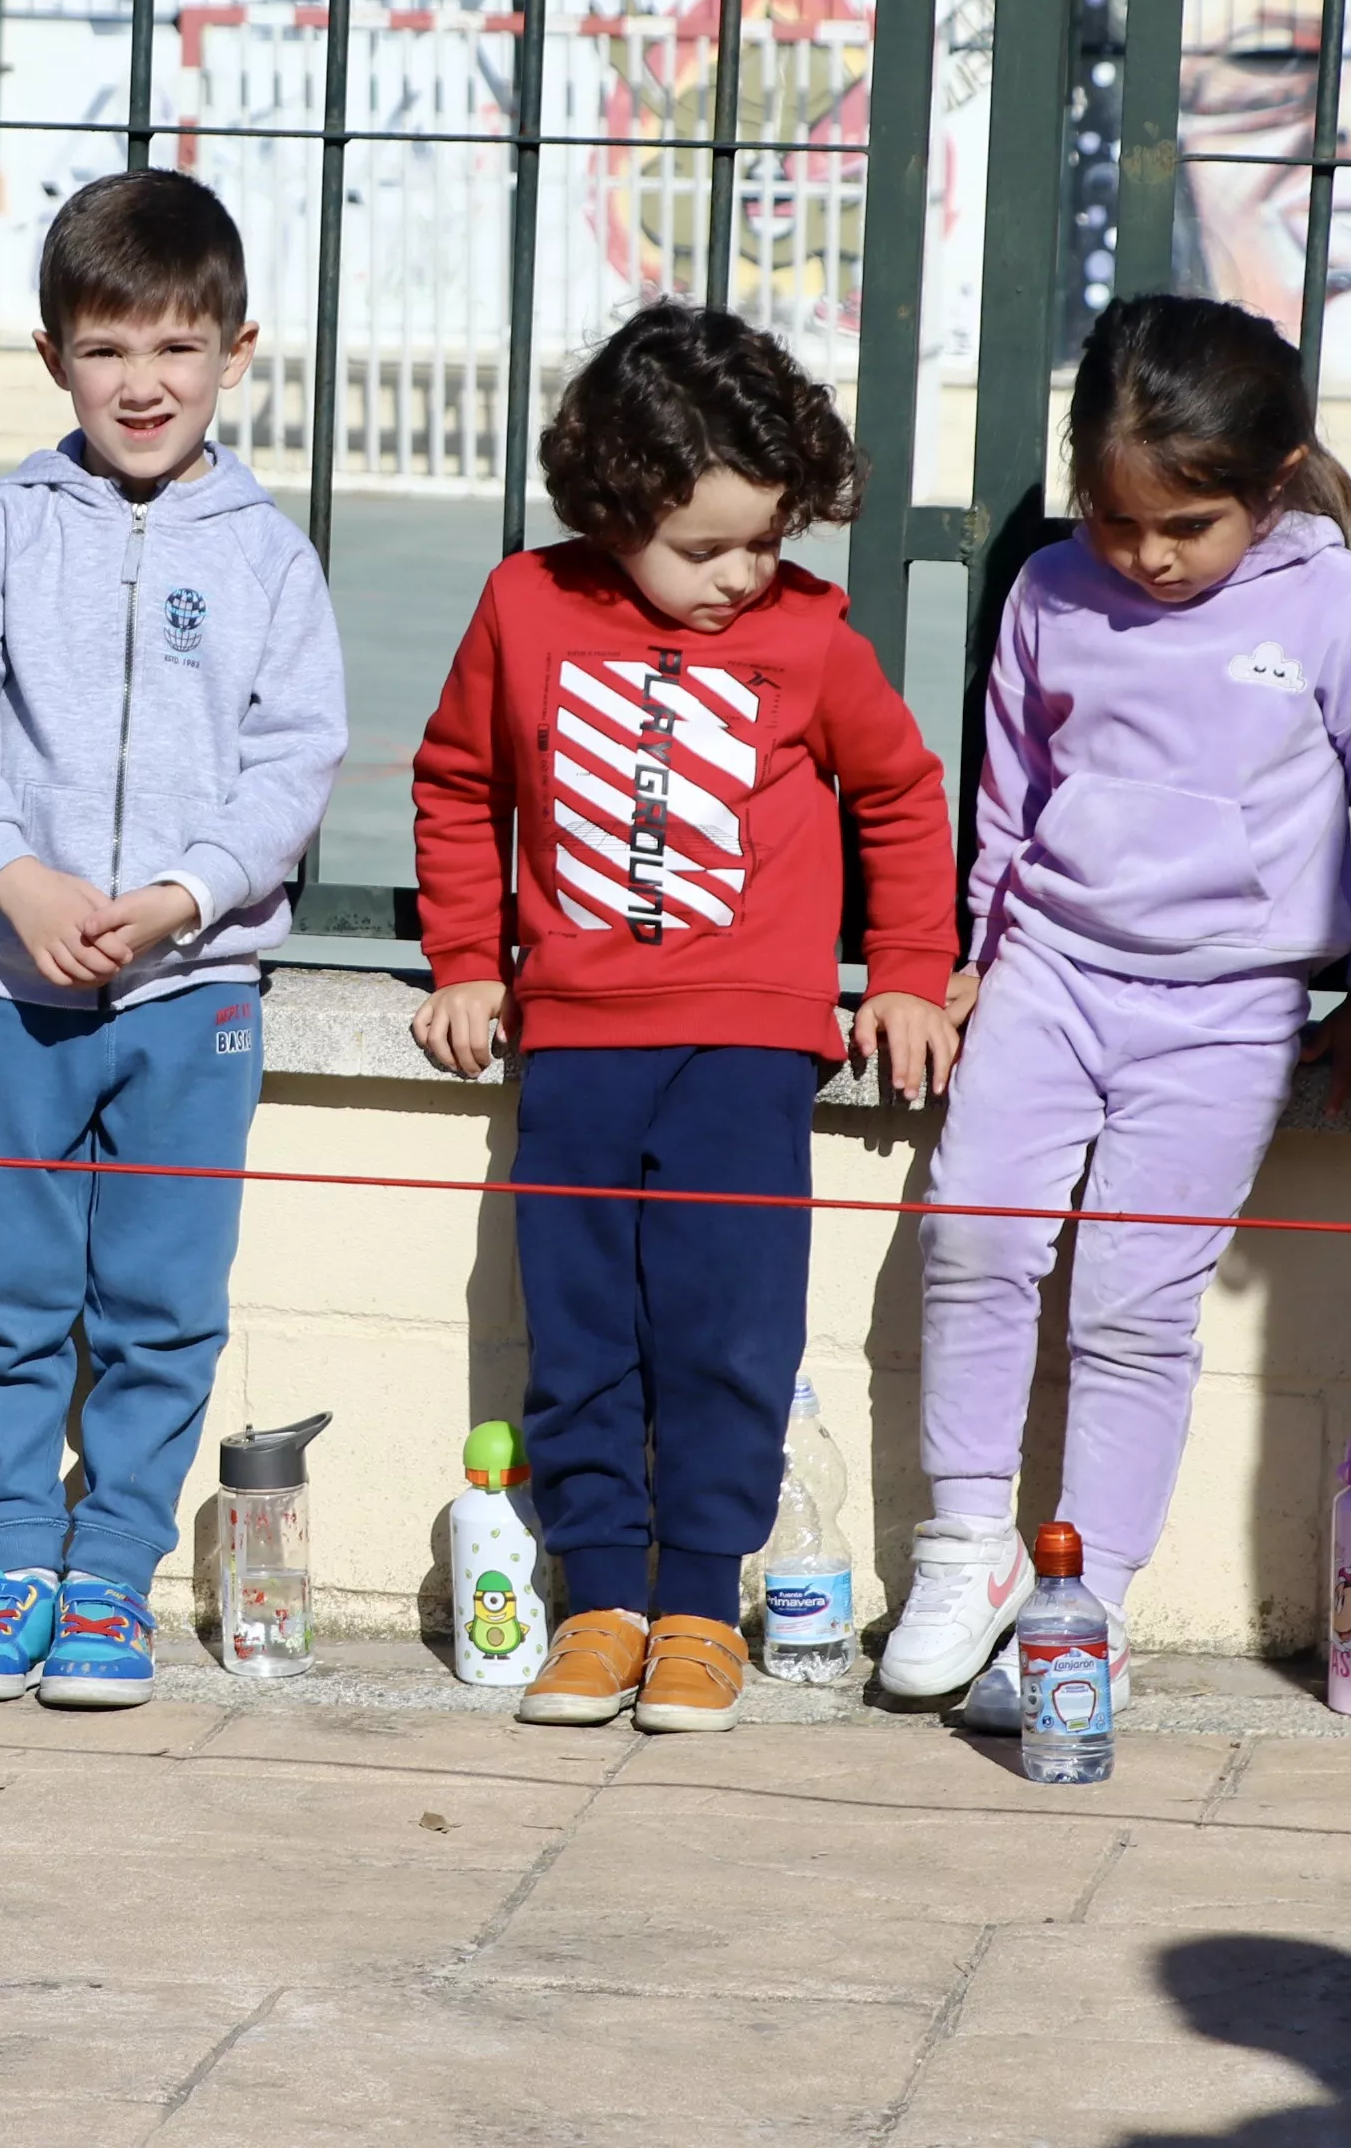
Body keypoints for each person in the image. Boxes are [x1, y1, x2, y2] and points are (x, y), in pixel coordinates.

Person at [879, 296, 1351, 1729]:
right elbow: (1010, 790)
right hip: (1053, 974)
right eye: (1118, 519)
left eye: (1185, 526)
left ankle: (1090, 1602)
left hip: (1230, 1011)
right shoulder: (1051, 590)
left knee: (1135, 1307)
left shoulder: (1343, 618)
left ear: (1273, 481)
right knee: (975, 1234)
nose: (1145, 555)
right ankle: (967, 1546)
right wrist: (983, 950)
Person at [408, 301, 959, 1735]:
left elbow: (901, 797)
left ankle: (702, 1607)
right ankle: (599, 1603)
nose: (738, 577)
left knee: (728, 1323)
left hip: (752, 1046)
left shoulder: (817, 640)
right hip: (580, 1041)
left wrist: (904, 968)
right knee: (582, 1325)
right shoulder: (525, 607)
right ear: (612, 506)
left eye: (765, 542)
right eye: (700, 547)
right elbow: (462, 784)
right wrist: (468, 957)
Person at [0, 169, 347, 1709]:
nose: (141, 382)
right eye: (106, 349)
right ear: (50, 358)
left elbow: (296, 764)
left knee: (161, 1302)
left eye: (176, 347)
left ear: (238, 349)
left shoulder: (271, 556)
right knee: (6, 1289)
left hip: (192, 990)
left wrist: (187, 893)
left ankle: (112, 1579)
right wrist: (13, 881)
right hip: (9, 987)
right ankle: (13, 1561)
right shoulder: (4, 530)